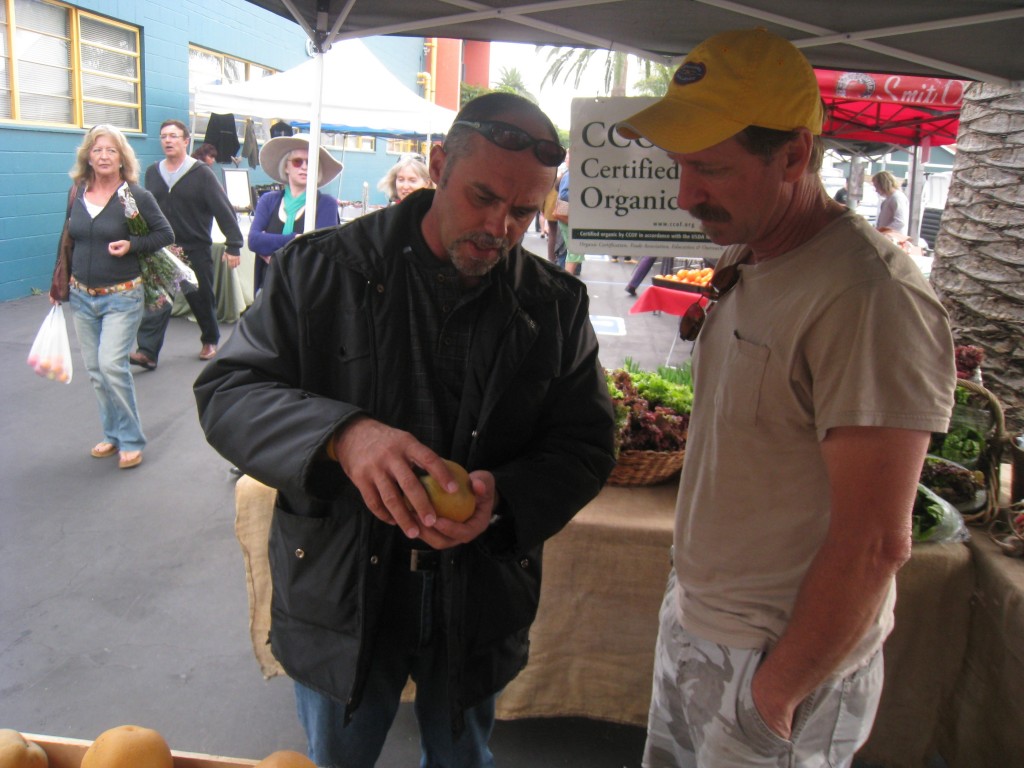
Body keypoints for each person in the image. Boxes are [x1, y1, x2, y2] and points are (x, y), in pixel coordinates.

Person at [193, 92, 617, 768]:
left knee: (461, 758)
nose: (500, 227)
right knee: (339, 757)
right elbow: (228, 391)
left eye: (523, 212)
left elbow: (587, 444)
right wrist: (343, 435)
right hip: (342, 586)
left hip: (478, 593)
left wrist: (502, 501)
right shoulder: (321, 268)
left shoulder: (554, 305)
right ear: (440, 165)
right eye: (483, 197)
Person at [615, 28, 955, 766]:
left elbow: (876, 543)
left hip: (777, 661)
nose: (686, 195)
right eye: (680, 166)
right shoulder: (754, 249)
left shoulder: (870, 297)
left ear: (795, 155)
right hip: (702, 624)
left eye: (711, 168)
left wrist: (774, 697)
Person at [54, 125, 173, 469]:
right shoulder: (78, 192)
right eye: (97, 150)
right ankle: (113, 435)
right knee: (95, 371)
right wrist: (57, 285)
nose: (104, 156)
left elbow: (164, 233)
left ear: (122, 158)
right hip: (81, 296)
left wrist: (131, 244)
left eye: (111, 150)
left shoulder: (133, 196)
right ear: (87, 157)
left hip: (122, 296)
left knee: (111, 365)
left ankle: (131, 440)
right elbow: (67, 239)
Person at [129, 119, 244, 370]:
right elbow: (147, 210)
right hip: (162, 248)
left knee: (200, 298)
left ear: (186, 141)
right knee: (157, 300)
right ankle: (147, 352)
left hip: (194, 247)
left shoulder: (201, 173)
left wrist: (234, 244)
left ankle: (210, 340)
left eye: (173, 136)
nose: (167, 141)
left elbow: (223, 209)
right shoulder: (153, 172)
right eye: (163, 136)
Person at [248, 135, 342, 295]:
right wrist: (295, 239)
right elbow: (254, 241)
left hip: (306, 293)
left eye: (310, 162)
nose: (304, 167)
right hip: (268, 290)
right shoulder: (268, 200)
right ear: (286, 167)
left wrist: (275, 254)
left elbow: (318, 253)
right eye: (298, 162)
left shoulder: (326, 204)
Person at [556, 150, 584, 276]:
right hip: (568, 215)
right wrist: (583, 196)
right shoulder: (572, 174)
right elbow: (564, 194)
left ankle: (567, 277)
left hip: (568, 215)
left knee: (574, 249)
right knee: (574, 249)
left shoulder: (572, 173)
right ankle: (566, 278)